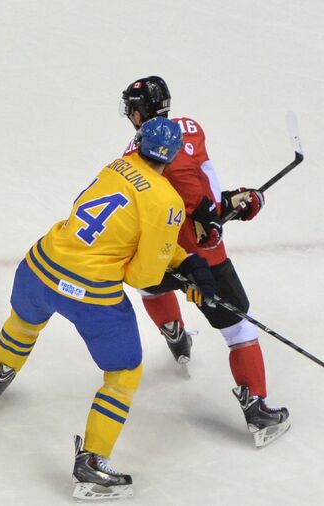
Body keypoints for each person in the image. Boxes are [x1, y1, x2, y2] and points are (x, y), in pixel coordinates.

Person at [0, 117, 216, 500]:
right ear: (172, 156)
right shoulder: (167, 201)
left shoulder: (116, 166)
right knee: (124, 373)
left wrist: (184, 261)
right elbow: (142, 276)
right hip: (91, 296)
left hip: (39, 267)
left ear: (138, 142)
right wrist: (182, 274)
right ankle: (91, 463)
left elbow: (114, 227)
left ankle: (3, 369)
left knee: (24, 324)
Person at [120, 76, 290, 447]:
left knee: (149, 284)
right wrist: (231, 205)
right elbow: (205, 193)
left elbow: (180, 195)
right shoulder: (192, 132)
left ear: (139, 112)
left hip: (160, 254)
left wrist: (225, 206)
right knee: (239, 330)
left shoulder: (128, 154)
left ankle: (174, 333)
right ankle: (257, 408)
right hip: (204, 257)